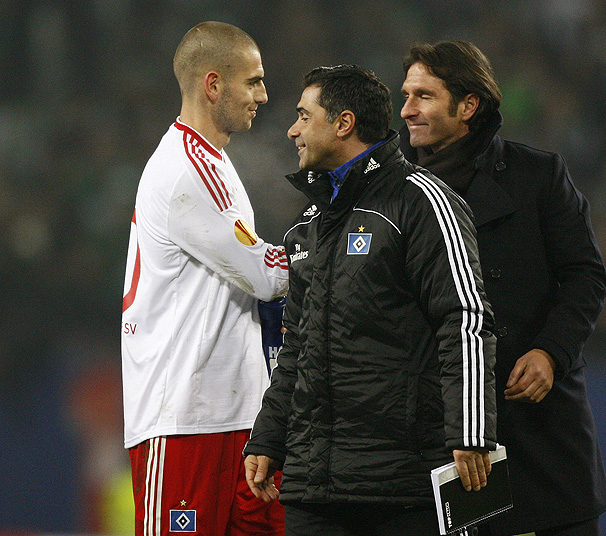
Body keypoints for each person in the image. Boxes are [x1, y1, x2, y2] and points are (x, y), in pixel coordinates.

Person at [242, 64, 497, 536]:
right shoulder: (306, 226)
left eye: (303, 115)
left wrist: (470, 430)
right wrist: (270, 436)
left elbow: (463, 319)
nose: (292, 130)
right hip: (313, 486)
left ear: (344, 123)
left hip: (402, 485)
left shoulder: (421, 202)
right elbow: (296, 346)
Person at [399, 40, 606, 536]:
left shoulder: (537, 175)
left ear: (468, 105)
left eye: (424, 96)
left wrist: (550, 353)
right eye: (406, 95)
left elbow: (585, 275)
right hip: (437, 431)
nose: (406, 109)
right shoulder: (395, 190)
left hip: (537, 420)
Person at [120, 21, 288, 536]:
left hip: (239, 412)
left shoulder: (213, 161)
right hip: (184, 419)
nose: (263, 94)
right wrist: (324, 252)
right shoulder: (183, 171)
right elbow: (262, 275)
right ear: (213, 85)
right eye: (253, 81)